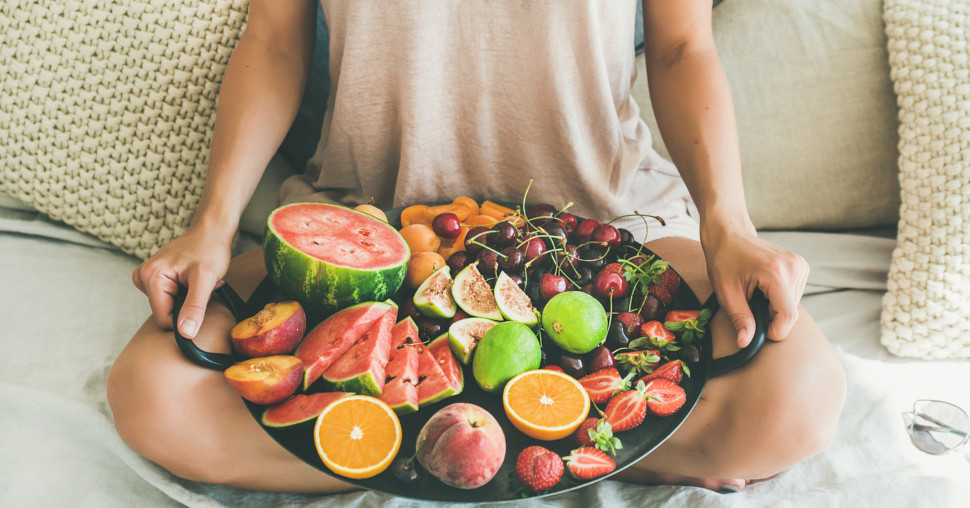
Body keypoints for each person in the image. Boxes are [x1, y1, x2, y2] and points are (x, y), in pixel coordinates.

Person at [107, 0, 846, 494]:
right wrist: (212, 223)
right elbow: (273, 42)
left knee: (799, 400)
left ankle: (389, 454)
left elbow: (683, 49)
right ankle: (567, 458)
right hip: (368, 221)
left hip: (603, 222)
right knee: (152, 396)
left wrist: (729, 226)